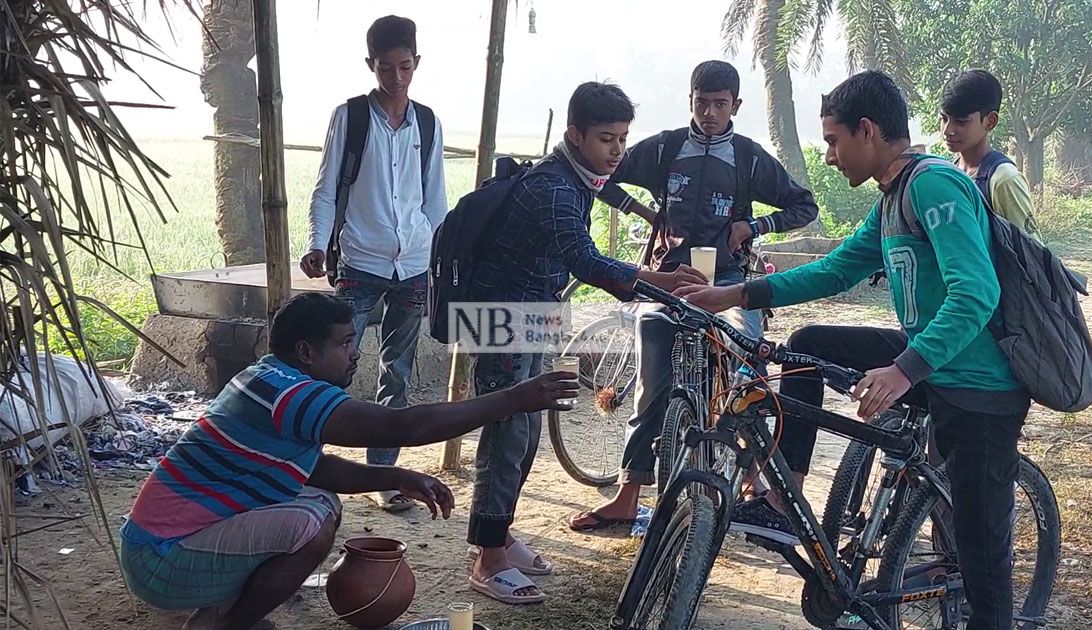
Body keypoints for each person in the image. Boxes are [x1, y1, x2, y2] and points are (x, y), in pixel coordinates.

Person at [680, 71, 1029, 630]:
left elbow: (977, 292)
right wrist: (736, 292)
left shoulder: (933, 186)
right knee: (808, 344)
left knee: (982, 560)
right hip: (935, 360)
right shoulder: (892, 198)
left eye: (833, 141)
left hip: (980, 385)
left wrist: (902, 371)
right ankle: (781, 498)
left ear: (866, 131)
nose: (830, 156)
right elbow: (838, 269)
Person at [119, 293, 576, 630]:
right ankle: (228, 624)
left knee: (318, 498)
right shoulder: (290, 395)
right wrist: (513, 398)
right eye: (345, 342)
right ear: (306, 352)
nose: (354, 352)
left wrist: (393, 475)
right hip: (162, 561)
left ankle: (230, 608)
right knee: (312, 518)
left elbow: (309, 469)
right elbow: (401, 428)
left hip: (156, 547)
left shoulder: (266, 378)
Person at [466, 81, 707, 605]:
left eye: (623, 138)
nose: (617, 150)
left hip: (539, 308)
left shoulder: (578, 174)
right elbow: (585, 259)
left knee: (526, 430)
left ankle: (499, 533)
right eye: (607, 139)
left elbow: (604, 197)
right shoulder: (554, 187)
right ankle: (486, 557)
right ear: (575, 134)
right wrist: (658, 281)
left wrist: (647, 218)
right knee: (508, 432)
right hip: (503, 313)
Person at [569, 60, 819, 532]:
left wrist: (753, 225)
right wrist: (647, 212)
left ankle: (751, 478)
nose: (709, 113)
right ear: (690, 100)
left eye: (719, 105)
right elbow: (604, 176)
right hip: (667, 282)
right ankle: (628, 495)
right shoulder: (665, 148)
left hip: (728, 285)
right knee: (652, 386)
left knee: (749, 374)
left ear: (736, 107)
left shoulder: (748, 157)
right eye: (701, 103)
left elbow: (805, 204)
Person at [300, 15, 448, 513]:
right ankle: (306, 466)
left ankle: (386, 477)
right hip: (360, 261)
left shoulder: (427, 122)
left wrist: (438, 254)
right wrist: (319, 243)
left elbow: (434, 198)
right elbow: (326, 189)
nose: (397, 78)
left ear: (417, 63)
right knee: (331, 366)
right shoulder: (351, 117)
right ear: (371, 66)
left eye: (405, 66)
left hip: (413, 264)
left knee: (398, 372)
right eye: (387, 68)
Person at [939, 68, 1041, 240]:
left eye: (961, 122)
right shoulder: (949, 172)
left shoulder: (1004, 179)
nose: (947, 130)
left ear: (990, 121)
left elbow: (1032, 254)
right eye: (944, 119)